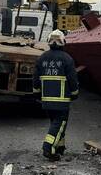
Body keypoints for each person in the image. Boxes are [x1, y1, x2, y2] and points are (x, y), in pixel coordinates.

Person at [33, 29, 78, 161]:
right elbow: (72, 78)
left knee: (55, 123)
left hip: (46, 100)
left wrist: (36, 93)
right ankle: (48, 148)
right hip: (61, 100)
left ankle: (59, 147)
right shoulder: (67, 59)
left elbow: (35, 78)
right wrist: (75, 93)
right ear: (63, 42)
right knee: (59, 123)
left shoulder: (42, 58)